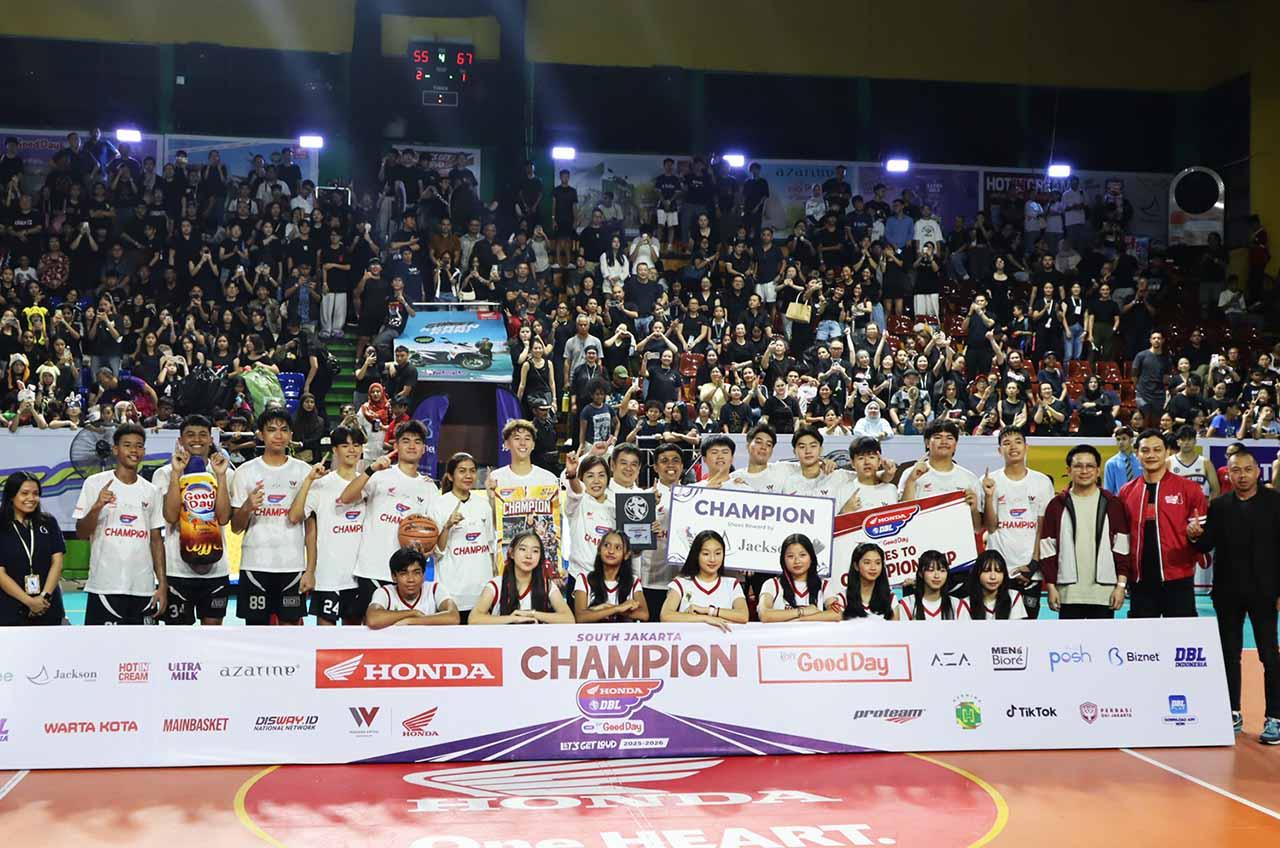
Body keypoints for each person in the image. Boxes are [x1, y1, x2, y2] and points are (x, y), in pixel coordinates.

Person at [1188, 448, 1280, 744]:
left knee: (1270, 656)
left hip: (1265, 593)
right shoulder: (1219, 505)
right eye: (1235, 470)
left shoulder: (1275, 502)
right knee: (1229, 655)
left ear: (1258, 471)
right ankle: (1231, 712)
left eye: (1247, 469)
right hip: (1227, 593)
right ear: (1228, 473)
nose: (1242, 476)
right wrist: (1194, 535)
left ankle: (1275, 717)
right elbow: (1205, 545)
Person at [341, 419, 440, 619]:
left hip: (407, 575)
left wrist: (427, 549)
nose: (412, 446)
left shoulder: (429, 487)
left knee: (404, 630)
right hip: (373, 568)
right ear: (396, 445)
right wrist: (370, 469)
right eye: (406, 441)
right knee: (368, 628)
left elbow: (432, 531)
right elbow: (346, 498)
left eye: (417, 441)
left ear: (424, 449)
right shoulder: (380, 476)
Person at [73, 423, 166, 624]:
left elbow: (156, 540)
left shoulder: (151, 491)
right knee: (103, 645)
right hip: (105, 586)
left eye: (139, 446)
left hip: (143, 587)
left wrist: (162, 584)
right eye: (127, 445)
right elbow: (81, 532)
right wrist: (97, 506)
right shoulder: (94, 483)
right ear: (115, 449)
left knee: (145, 645)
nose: (134, 450)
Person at [230, 410, 310, 625]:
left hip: (292, 564)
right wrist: (247, 507)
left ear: (291, 434)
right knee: (256, 632)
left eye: (284, 430)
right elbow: (235, 528)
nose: (278, 435)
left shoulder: (304, 471)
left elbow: (311, 527)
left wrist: (310, 569)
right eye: (272, 430)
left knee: (290, 629)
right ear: (260, 434)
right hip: (255, 563)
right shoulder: (245, 472)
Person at [153, 415, 233, 626]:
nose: (196, 439)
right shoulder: (164, 473)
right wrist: (176, 474)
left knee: (212, 634)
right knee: (178, 637)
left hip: (216, 569)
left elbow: (224, 518)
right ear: (180, 440)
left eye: (202, 435)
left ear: (211, 439)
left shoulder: (225, 472)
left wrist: (221, 477)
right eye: (190, 435)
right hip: (177, 569)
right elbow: (170, 516)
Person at [1118, 429, 1207, 618]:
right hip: (1140, 583)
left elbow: (1205, 538)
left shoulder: (1190, 490)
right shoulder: (1126, 492)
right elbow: (1121, 540)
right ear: (1137, 454)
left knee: (1181, 635)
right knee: (1142, 636)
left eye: (1157, 450)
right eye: (1145, 450)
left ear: (1167, 452)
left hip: (1179, 580)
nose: (1151, 455)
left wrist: (1195, 536)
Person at [1041, 443, 1131, 619]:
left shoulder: (1112, 504)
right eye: (1078, 466)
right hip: (1068, 594)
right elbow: (1047, 548)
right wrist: (1050, 586)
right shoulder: (1056, 505)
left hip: (1104, 594)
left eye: (1090, 466)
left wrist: (1120, 586)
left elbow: (1122, 548)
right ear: (1068, 470)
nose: (1084, 471)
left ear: (1098, 471)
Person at [290, 426, 366, 626]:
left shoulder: (370, 484)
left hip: (360, 577)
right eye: (345, 445)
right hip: (328, 576)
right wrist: (309, 480)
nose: (352, 450)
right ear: (334, 450)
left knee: (356, 639)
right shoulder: (321, 485)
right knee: (325, 640)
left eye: (356, 445)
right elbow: (295, 516)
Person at [982, 426, 1055, 618]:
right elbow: (990, 527)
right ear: (999, 450)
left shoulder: (1042, 482)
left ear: (1026, 447)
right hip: (998, 572)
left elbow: (1043, 528)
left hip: (1030, 570)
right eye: (1006, 443)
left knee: (1027, 627)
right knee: (997, 625)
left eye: (1018, 442)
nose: (1013, 447)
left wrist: (1033, 564)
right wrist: (988, 496)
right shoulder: (989, 480)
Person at [431, 452, 499, 623]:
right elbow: (437, 552)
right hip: (453, 594)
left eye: (472, 471)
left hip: (483, 594)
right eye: (462, 471)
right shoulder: (438, 505)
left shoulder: (483, 505)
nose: (468, 475)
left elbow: (490, 546)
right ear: (450, 476)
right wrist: (447, 526)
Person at [0, 472, 65, 626]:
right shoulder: (1, 525)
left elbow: (57, 563)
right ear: (11, 495)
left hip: (48, 606)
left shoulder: (48, 522)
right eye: (24, 493)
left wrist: (44, 597)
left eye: (35, 494)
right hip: (10, 609)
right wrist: (29, 602)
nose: (31, 498)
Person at [469, 531, 574, 624]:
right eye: (523, 549)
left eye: (535, 551)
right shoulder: (496, 585)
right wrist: (513, 619)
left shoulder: (547, 585)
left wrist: (531, 614)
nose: (529, 555)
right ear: (511, 553)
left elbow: (569, 619)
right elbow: (473, 619)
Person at [899, 419, 983, 532]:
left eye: (949, 438)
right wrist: (911, 481)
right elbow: (903, 519)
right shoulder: (911, 474)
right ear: (927, 443)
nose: (944, 441)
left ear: (956, 444)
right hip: (921, 539)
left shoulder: (969, 478)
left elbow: (977, 528)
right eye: (938, 437)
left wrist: (973, 510)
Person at [660, 529, 748, 631]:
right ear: (696, 555)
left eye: (718, 553)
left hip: (723, 640)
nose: (712, 559)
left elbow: (743, 615)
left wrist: (708, 611)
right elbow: (665, 616)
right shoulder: (681, 583)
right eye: (706, 554)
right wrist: (705, 618)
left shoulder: (732, 584)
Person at [364, 547, 460, 628]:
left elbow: (454, 617)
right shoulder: (385, 592)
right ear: (394, 577)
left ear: (423, 575)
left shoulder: (434, 588)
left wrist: (411, 621)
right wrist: (413, 613)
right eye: (404, 573)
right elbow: (373, 619)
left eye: (416, 573)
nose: (411, 579)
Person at [641, 443, 685, 615]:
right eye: (664, 461)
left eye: (675, 460)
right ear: (655, 467)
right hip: (651, 580)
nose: (670, 465)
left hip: (685, 580)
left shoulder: (696, 498)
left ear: (682, 466)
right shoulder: (643, 498)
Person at [757, 534, 840, 622]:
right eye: (790, 556)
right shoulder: (772, 584)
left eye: (802, 555)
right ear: (783, 560)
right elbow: (764, 614)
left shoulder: (823, 585)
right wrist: (803, 611)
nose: (797, 561)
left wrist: (800, 620)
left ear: (811, 558)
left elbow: (837, 614)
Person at [573, 529, 648, 623]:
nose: (611, 551)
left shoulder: (633, 581)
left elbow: (644, 614)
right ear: (599, 550)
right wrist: (617, 609)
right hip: (593, 632)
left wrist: (603, 608)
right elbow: (580, 617)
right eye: (606, 545)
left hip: (623, 632)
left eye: (618, 547)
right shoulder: (584, 579)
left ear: (626, 555)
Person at [827, 542, 898, 620]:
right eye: (867, 563)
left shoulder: (891, 598)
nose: (873, 567)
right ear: (856, 566)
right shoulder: (843, 599)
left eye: (878, 563)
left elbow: (895, 627)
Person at [899, 550, 970, 620]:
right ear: (920, 573)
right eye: (931, 570)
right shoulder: (907, 604)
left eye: (942, 571)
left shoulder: (957, 605)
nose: (937, 576)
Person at [965, 549, 1027, 620]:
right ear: (977, 573)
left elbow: (1016, 626)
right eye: (987, 571)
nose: (993, 577)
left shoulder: (1014, 597)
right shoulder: (966, 604)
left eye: (998, 571)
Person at [1168, 424, 1220, 500]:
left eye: (1189, 439)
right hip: (1176, 506)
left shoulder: (1205, 462)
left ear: (1195, 441)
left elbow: (1216, 490)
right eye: (1183, 439)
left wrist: (1206, 505)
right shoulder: (1168, 462)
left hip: (1198, 506)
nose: (1186, 443)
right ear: (1178, 442)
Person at [1103, 426, 1142, 495]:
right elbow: (1108, 491)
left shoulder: (1140, 461)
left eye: (1124, 439)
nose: (1121, 442)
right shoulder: (1111, 463)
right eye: (1118, 439)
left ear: (1131, 440)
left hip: (1138, 499)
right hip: (1119, 500)